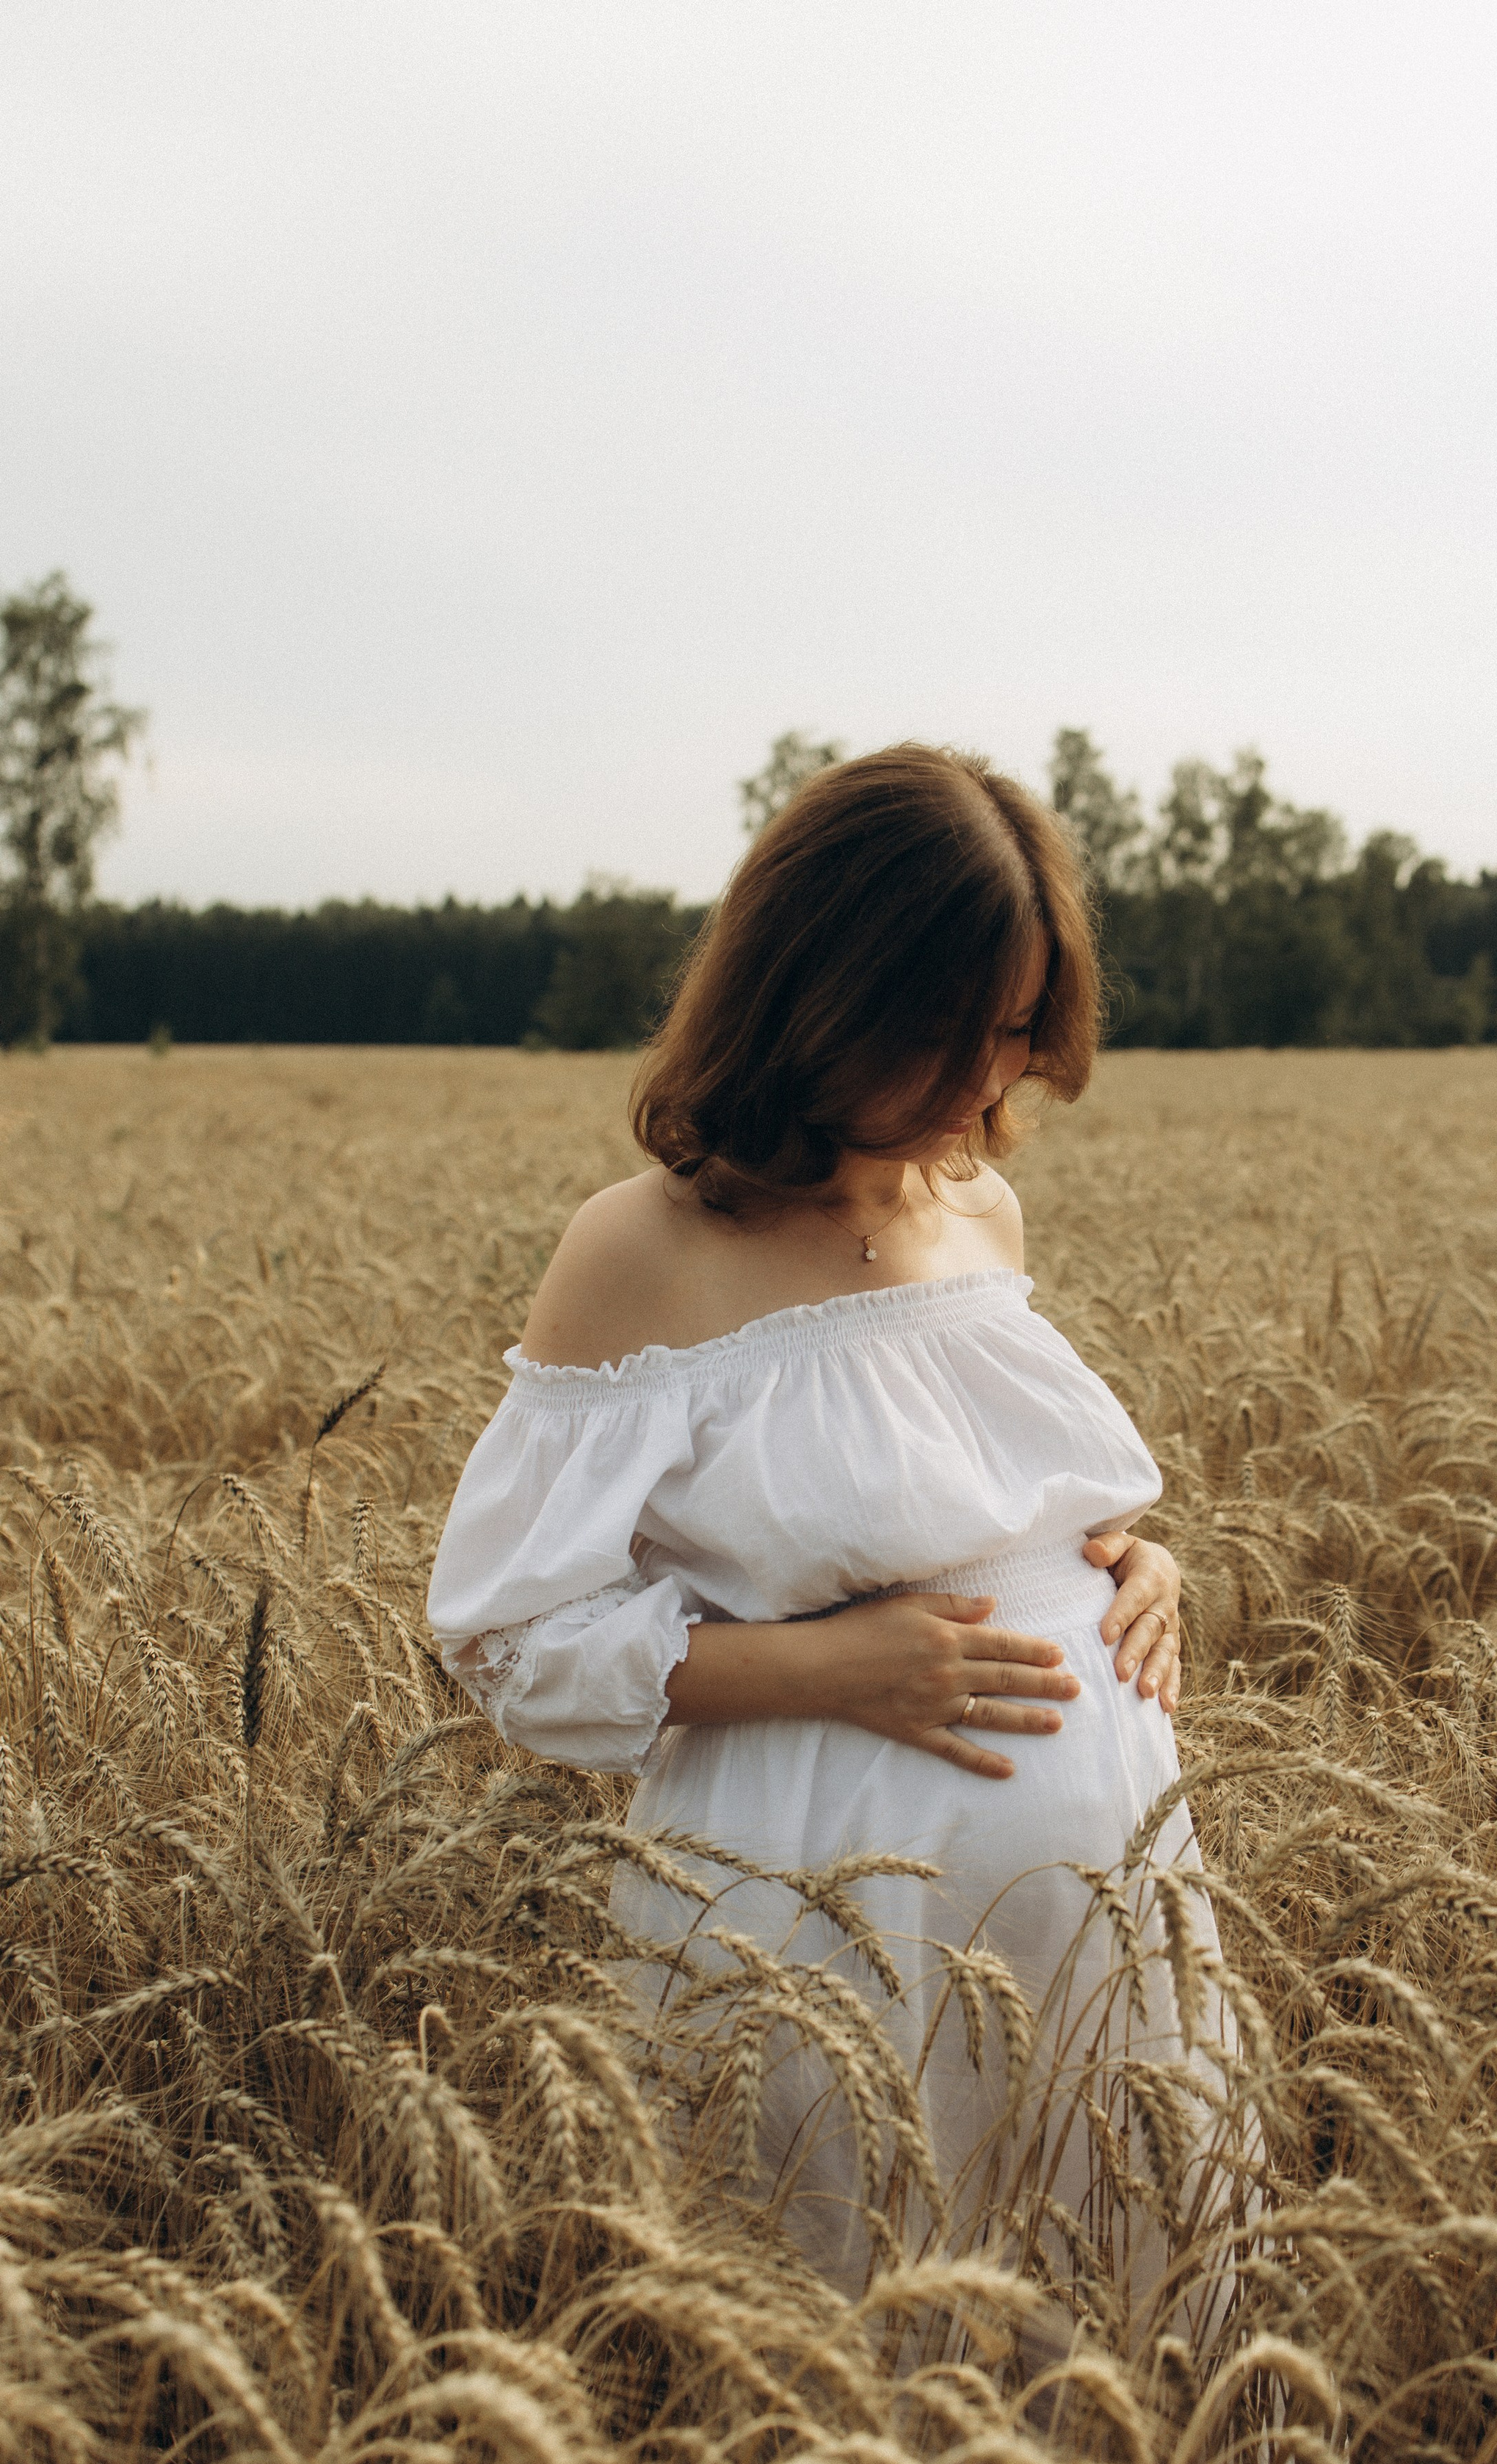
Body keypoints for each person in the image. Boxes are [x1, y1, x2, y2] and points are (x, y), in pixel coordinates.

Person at [427, 745, 1235, 2318]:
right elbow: (509, 1644)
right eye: (946, 1030)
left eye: (1016, 1029)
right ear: (819, 995)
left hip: (1098, 1908)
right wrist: (830, 1669)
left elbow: (1002, 1504)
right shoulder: (642, 1250)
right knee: (833, 2331)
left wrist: (1142, 1565)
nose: (986, 1083)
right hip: (820, 1907)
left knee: (1116, 2320)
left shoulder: (978, 1212)